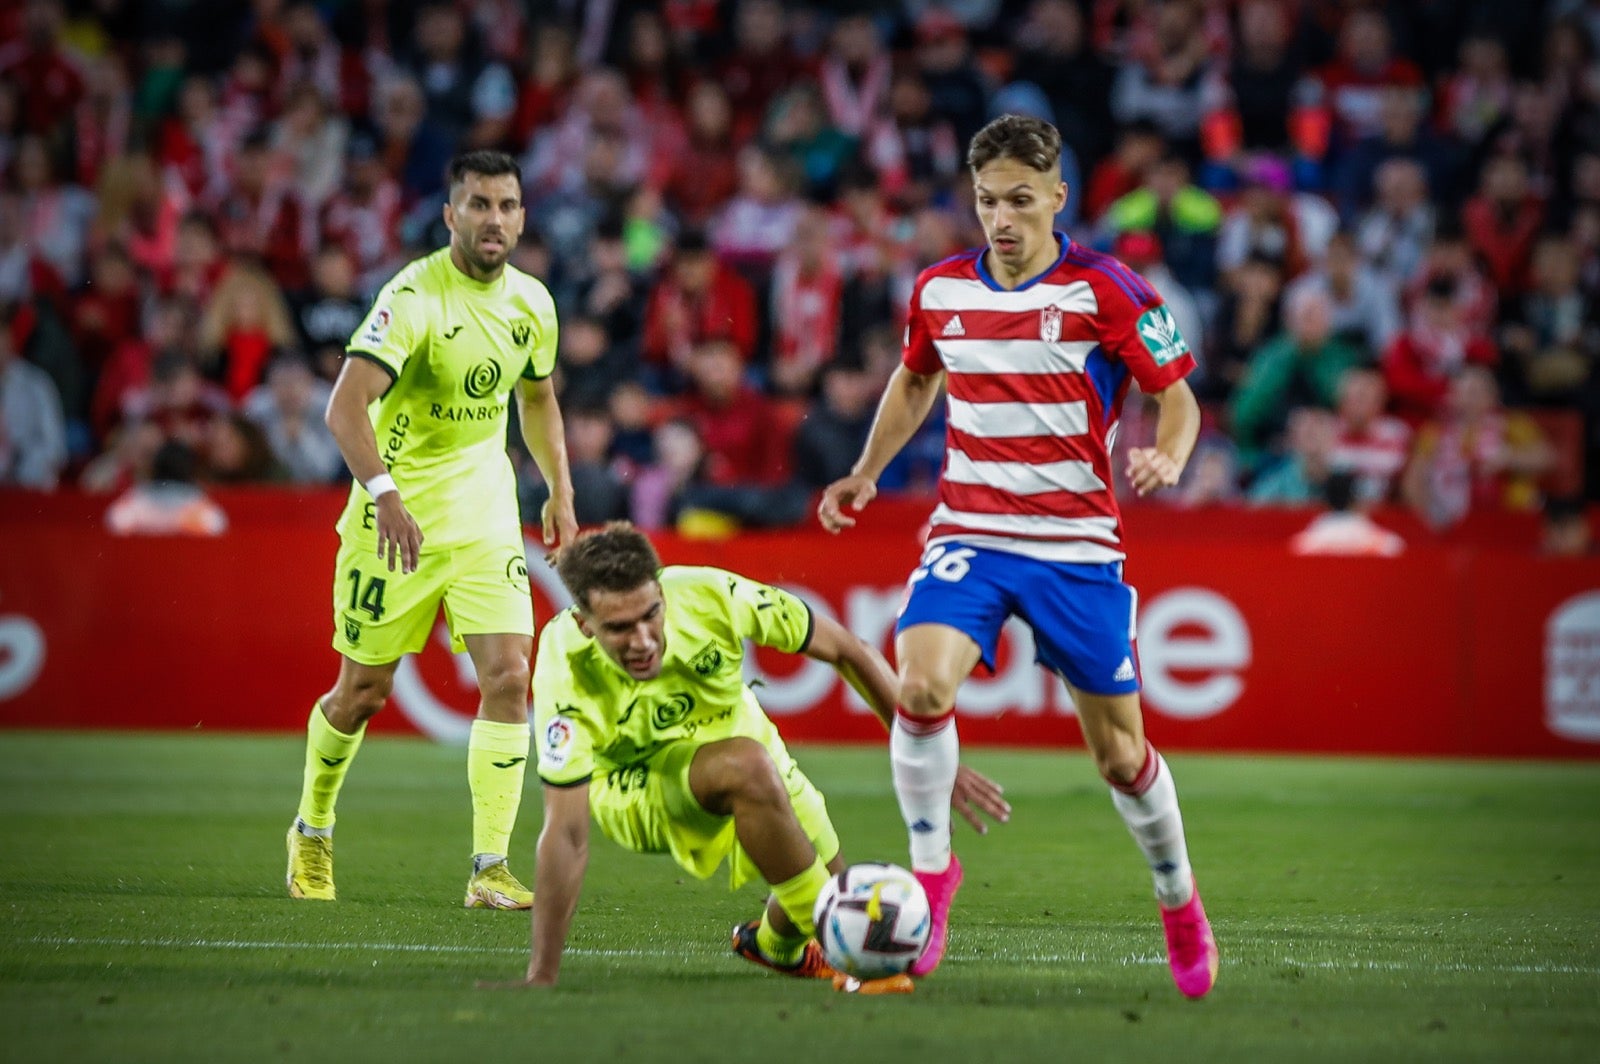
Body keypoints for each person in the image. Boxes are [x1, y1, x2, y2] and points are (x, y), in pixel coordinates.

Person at [817, 114, 1218, 998]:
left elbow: (1177, 398)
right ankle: (931, 877)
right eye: (988, 201)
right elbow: (917, 377)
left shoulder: (1110, 289)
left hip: (1077, 549)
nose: (1001, 219)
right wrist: (867, 472)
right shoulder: (938, 290)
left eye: (1021, 202)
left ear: (1058, 199)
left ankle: (1179, 900)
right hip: (971, 533)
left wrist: (1170, 454)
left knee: (1121, 758)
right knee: (919, 687)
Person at [494, 524, 1008, 991]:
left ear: (662, 591)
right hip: (635, 784)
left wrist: (928, 752)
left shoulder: (712, 595)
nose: (643, 639)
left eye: (651, 614)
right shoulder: (563, 671)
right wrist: (541, 975)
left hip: (743, 738)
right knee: (753, 777)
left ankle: (773, 946)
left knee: (812, 859)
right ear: (585, 624)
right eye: (619, 628)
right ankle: (853, 962)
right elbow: (565, 830)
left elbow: (848, 650)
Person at [285, 150, 578, 911]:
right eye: (478, 204)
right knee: (362, 693)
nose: (494, 219)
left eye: (508, 205)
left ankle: (489, 867)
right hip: (397, 524)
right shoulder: (413, 298)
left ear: (522, 216)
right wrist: (382, 494)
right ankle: (312, 829)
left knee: (512, 677)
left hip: (483, 518)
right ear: (450, 216)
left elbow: (538, 399)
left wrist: (559, 489)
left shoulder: (533, 305)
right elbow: (344, 408)